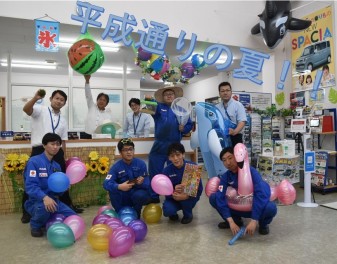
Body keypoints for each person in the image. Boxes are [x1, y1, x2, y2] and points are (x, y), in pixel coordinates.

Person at [21, 89, 82, 224]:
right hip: (39, 149)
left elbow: (63, 140)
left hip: (58, 152)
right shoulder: (40, 110)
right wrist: (35, 98)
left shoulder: (63, 120)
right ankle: (27, 212)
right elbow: (26, 109)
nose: (59, 101)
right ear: (51, 99)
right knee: (31, 180)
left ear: (64, 103)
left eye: (62, 100)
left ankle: (65, 205)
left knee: (62, 180)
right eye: (57, 98)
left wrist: (63, 156)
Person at [209, 147, 277, 236]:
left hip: (252, 208)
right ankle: (235, 221)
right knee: (214, 198)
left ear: (237, 157)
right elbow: (220, 196)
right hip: (236, 207)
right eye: (224, 160)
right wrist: (230, 222)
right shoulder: (225, 177)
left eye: (230, 158)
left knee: (270, 208)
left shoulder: (252, 172)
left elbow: (261, 193)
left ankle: (263, 224)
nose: (228, 163)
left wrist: (254, 220)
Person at [24, 133, 77, 237]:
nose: (55, 147)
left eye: (58, 144)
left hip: (53, 200)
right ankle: (35, 224)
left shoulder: (56, 166)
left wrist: (63, 188)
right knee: (45, 208)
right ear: (44, 145)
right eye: (52, 144)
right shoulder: (34, 162)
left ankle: (46, 218)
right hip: (36, 201)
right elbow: (30, 186)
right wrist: (44, 197)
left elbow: (56, 191)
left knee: (73, 217)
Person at [148, 86, 193, 203]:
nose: (169, 95)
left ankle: (174, 194)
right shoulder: (159, 108)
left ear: (175, 97)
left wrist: (183, 129)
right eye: (166, 94)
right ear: (162, 97)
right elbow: (150, 106)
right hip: (159, 144)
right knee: (154, 170)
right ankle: (153, 196)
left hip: (174, 146)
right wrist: (149, 99)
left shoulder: (181, 110)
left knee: (174, 171)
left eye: (171, 94)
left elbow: (189, 125)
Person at [103, 138, 151, 218]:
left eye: (130, 149)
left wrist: (141, 183)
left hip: (136, 195)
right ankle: (120, 213)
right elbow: (106, 183)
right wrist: (119, 186)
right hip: (123, 196)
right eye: (125, 150)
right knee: (113, 191)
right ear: (120, 152)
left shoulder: (141, 164)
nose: (129, 152)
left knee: (140, 195)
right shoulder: (115, 167)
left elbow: (147, 183)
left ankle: (136, 213)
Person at [162, 143, 203, 224]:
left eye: (178, 155)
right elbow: (164, 191)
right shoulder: (166, 171)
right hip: (173, 197)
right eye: (172, 156)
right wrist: (173, 191)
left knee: (186, 201)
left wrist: (186, 196)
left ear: (183, 154)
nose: (175, 158)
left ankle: (188, 215)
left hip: (189, 197)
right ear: (169, 158)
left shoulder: (192, 167)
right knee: (167, 210)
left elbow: (199, 190)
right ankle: (173, 213)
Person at [215, 82, 247, 147]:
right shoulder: (217, 107)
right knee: (223, 156)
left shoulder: (238, 105)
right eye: (222, 91)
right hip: (222, 137)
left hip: (235, 136)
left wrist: (234, 132)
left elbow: (242, 121)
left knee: (236, 156)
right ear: (219, 93)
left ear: (231, 92)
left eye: (227, 90)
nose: (225, 93)